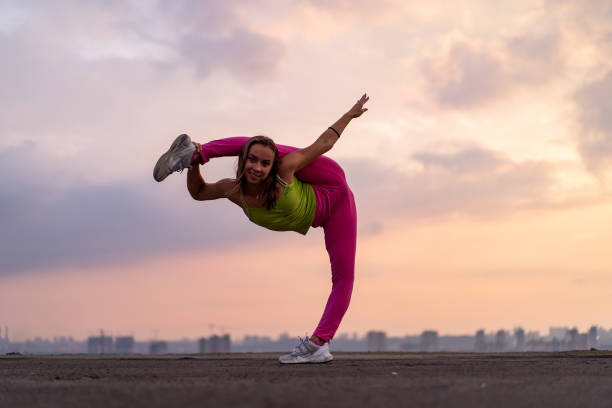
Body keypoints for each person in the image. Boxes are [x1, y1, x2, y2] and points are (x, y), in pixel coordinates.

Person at [153, 94, 369, 363]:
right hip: (317, 204)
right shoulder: (233, 190)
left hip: (334, 190)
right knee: (258, 145)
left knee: (344, 276)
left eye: (264, 164)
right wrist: (193, 167)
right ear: (243, 162)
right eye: (252, 161)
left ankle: (318, 344)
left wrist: (350, 114)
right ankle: (193, 156)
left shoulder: (283, 171)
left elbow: (324, 143)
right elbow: (198, 192)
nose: (257, 168)